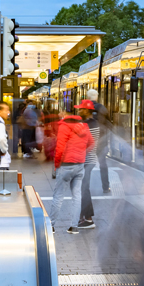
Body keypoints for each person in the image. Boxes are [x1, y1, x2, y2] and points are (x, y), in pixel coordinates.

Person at [50, 108, 94, 234]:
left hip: (65, 165)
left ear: (65, 117)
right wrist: (82, 154)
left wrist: (56, 164)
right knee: (77, 196)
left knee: (58, 195)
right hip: (80, 165)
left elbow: (60, 147)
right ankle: (74, 226)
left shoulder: (63, 127)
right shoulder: (84, 127)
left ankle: (51, 225)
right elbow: (91, 143)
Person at [76, 99, 100, 230]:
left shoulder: (87, 124)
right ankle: (81, 217)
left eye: (81, 109)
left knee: (83, 189)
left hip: (86, 160)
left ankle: (89, 219)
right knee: (81, 188)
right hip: (88, 160)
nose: (79, 111)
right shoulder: (94, 123)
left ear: (87, 110)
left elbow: (83, 142)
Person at [85, 89, 112, 194]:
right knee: (103, 164)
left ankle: (85, 187)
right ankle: (106, 187)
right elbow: (109, 122)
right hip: (101, 140)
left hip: (88, 141)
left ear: (88, 97)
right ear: (96, 97)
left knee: (87, 164)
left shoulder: (85, 108)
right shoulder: (102, 108)